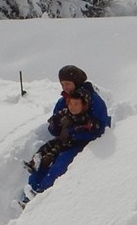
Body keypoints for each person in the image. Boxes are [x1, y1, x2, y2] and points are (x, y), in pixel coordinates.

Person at [23, 65, 111, 200]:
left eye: (68, 84)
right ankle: (30, 191)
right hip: (64, 140)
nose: (65, 87)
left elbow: (101, 127)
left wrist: (75, 133)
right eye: (62, 84)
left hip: (84, 143)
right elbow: (54, 128)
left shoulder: (93, 100)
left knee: (61, 163)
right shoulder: (63, 101)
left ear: (76, 82)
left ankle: (42, 195)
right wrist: (57, 125)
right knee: (45, 160)